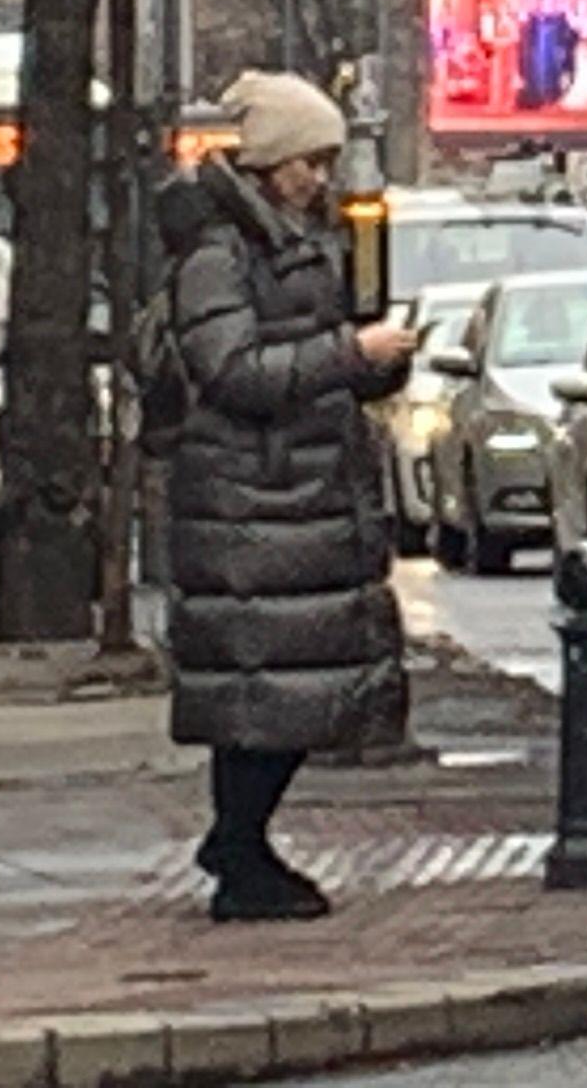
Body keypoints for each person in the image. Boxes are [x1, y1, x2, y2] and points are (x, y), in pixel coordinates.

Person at [162, 73, 419, 921]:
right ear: (270, 161)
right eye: (309, 160)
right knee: (261, 693)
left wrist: (380, 357)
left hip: (291, 497)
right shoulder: (219, 253)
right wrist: (351, 353)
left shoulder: (284, 239)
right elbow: (231, 370)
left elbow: (307, 350)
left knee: (286, 691)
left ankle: (242, 843)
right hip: (253, 504)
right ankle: (240, 850)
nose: (319, 176)